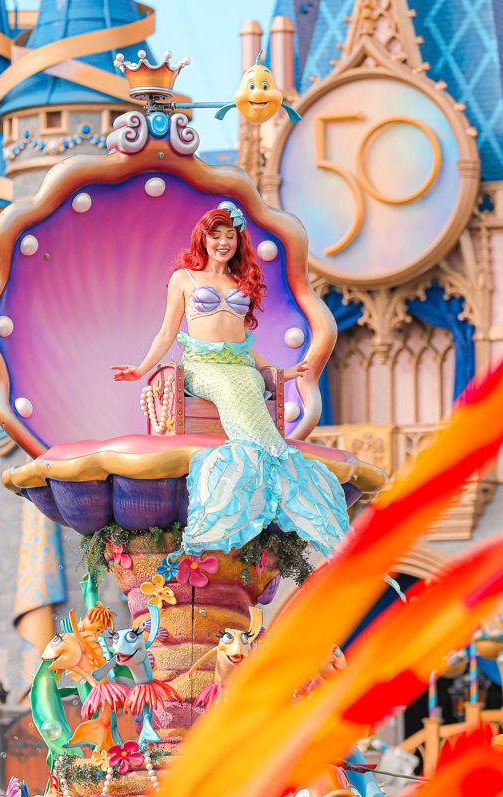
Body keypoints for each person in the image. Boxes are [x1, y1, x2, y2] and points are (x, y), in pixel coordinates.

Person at [112, 201, 349, 557]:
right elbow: (166, 333)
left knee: (249, 383)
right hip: (201, 366)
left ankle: (266, 461)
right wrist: (143, 368)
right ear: (203, 239)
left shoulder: (239, 281)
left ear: (237, 242)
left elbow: (244, 344)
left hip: (240, 367)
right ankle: (271, 460)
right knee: (228, 386)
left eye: (230, 236)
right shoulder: (184, 279)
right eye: (216, 235)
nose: (223, 242)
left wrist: (278, 373)